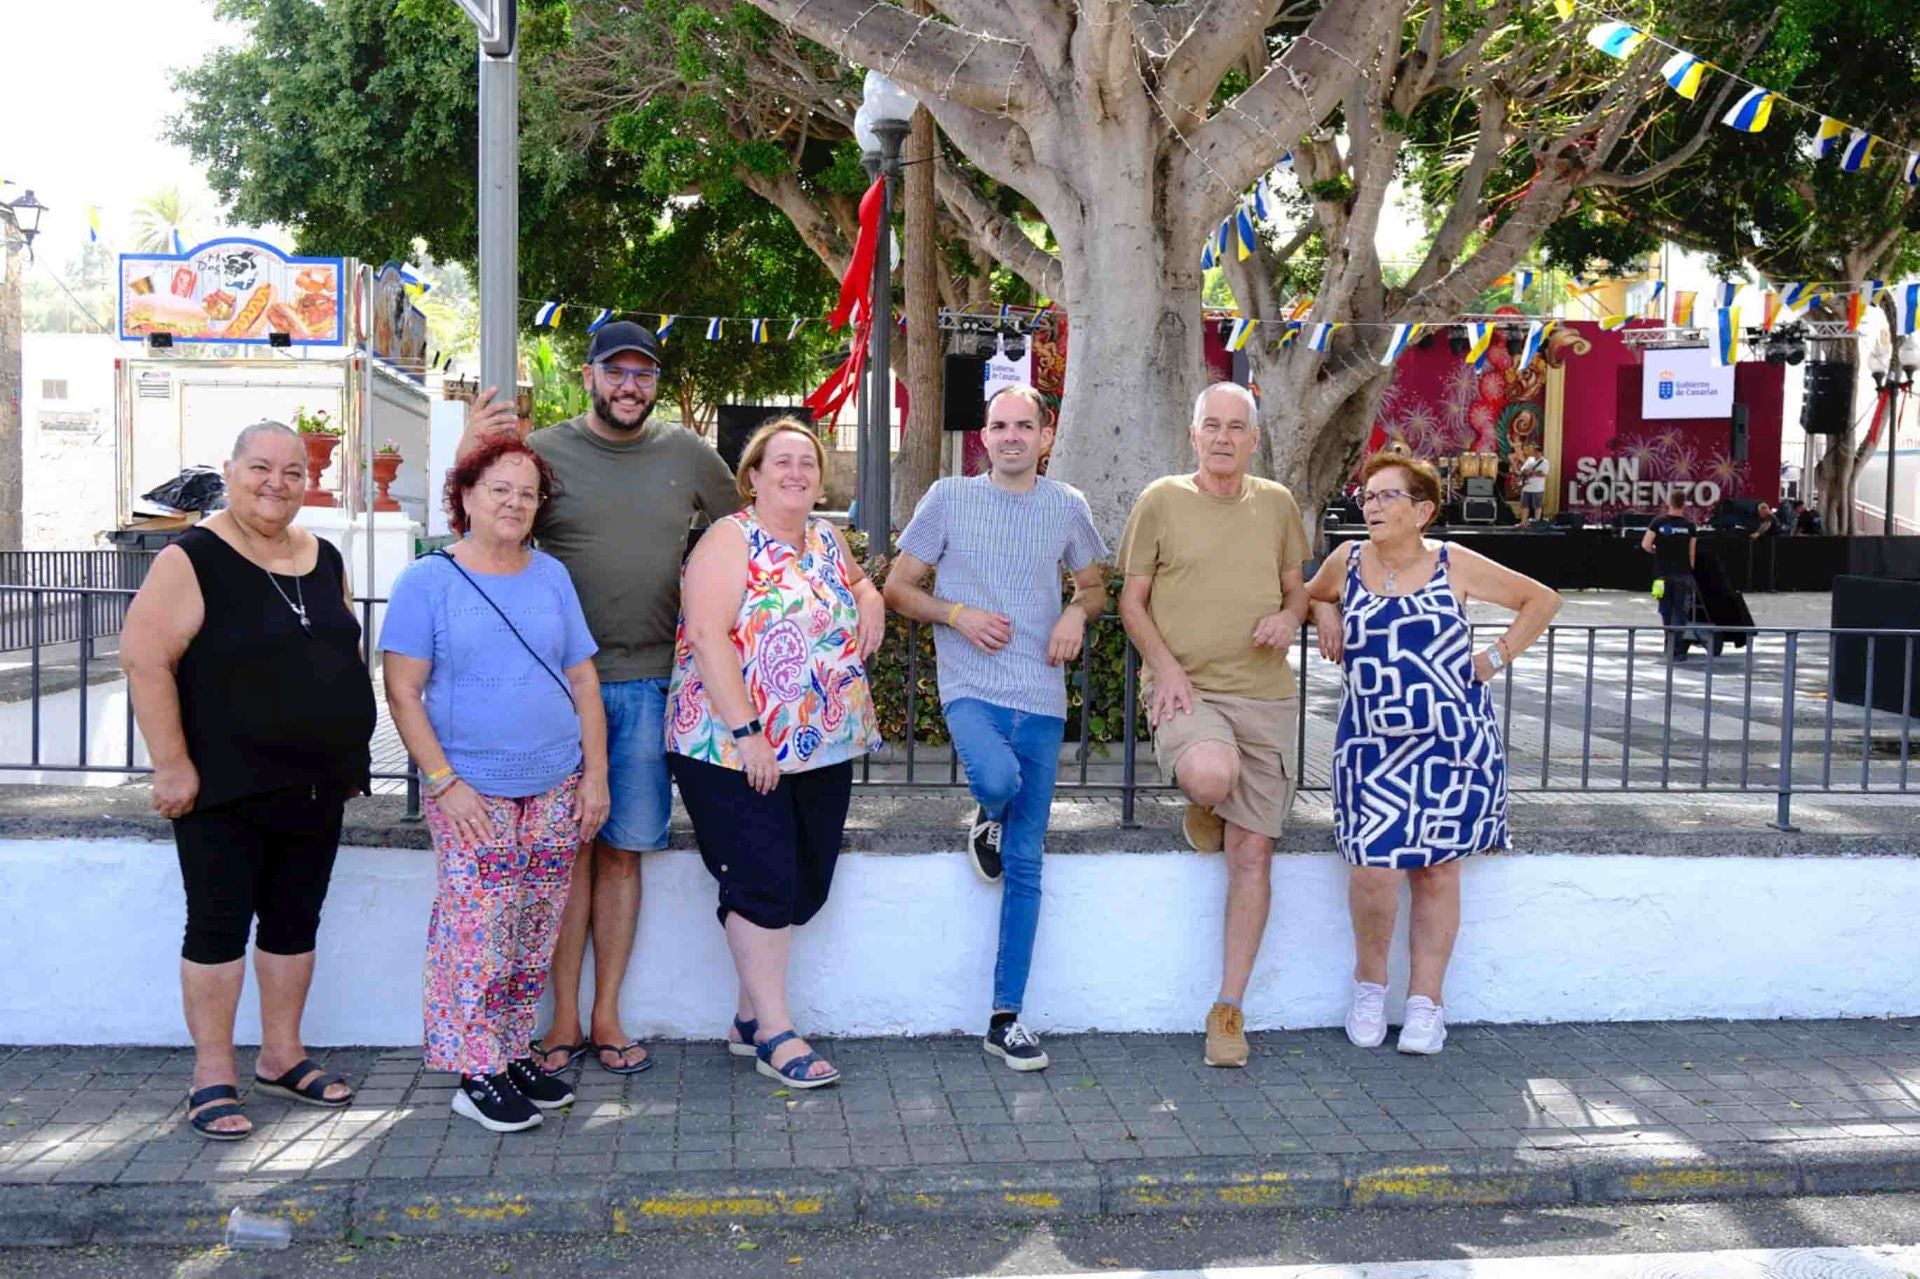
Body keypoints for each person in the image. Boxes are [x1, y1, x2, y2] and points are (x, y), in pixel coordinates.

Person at [463, 321, 738, 1077]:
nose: (629, 385)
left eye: (642, 373)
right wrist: (468, 448)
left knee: (621, 855)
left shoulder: (687, 454)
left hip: (651, 689)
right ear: (589, 376)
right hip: (555, 693)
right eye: (615, 371)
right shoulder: (545, 453)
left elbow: (751, 533)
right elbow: (478, 522)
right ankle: (564, 1020)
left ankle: (609, 1013)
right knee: (564, 856)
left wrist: (850, 581)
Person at [120, 421, 375, 1140]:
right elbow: (144, 661)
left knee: (296, 922)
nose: (277, 482)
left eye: (293, 471)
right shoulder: (191, 557)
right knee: (218, 926)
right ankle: (212, 1074)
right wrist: (172, 764)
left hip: (317, 782)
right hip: (221, 785)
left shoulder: (323, 556)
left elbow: (343, 648)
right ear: (230, 471)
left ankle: (281, 1055)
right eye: (260, 467)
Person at [380, 436, 611, 1133]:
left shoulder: (551, 577)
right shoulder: (427, 581)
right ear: (467, 494)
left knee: (533, 927)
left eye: (527, 492)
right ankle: (473, 1067)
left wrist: (594, 775)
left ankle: (510, 1051)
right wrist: (443, 782)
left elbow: (583, 679)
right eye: (499, 488)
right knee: (477, 928)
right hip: (471, 791)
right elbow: (402, 689)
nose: (513, 502)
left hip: (552, 786)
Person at [883, 385, 1109, 1071]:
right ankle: (989, 816)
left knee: (1028, 864)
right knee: (996, 778)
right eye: (998, 425)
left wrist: (1076, 613)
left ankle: (1005, 1016)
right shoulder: (948, 497)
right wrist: (956, 615)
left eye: (1023, 425)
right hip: (971, 689)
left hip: (1041, 694)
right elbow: (898, 587)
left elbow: (1096, 586)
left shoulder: (1068, 505)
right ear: (984, 434)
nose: (1010, 436)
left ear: (1046, 434)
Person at [1306, 454, 1559, 1055]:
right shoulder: (1348, 561)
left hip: (1452, 744)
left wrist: (1492, 659)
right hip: (1370, 746)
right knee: (1372, 870)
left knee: (1437, 869)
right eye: (1366, 496)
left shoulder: (1453, 562)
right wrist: (1326, 614)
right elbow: (1311, 592)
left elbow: (1541, 601)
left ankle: (1426, 1005)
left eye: (1387, 496)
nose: (1371, 506)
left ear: (1422, 511)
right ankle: (1369, 989)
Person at [666, 418, 883, 1089]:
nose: (795, 473)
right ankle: (776, 1033)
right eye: (780, 462)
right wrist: (748, 732)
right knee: (762, 875)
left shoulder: (824, 536)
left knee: (806, 881)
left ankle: (745, 1015)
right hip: (733, 746)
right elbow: (705, 635)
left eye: (807, 464)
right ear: (753, 476)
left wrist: (870, 595)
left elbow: (856, 581)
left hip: (820, 746)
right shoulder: (729, 541)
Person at [1117, 382, 1312, 1069]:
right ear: (1193, 434)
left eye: (1237, 427)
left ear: (1254, 439)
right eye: (1212, 426)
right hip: (1188, 688)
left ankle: (1227, 1005)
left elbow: (1298, 588)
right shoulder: (1161, 500)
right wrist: (1165, 668)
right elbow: (1131, 602)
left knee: (1253, 854)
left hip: (1264, 696)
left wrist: (1293, 616)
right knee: (1209, 770)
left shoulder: (1279, 505)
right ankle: (1209, 800)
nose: (1224, 437)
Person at [1642, 492, 1699, 659]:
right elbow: (1692, 553)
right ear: (1684, 505)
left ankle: (1668, 644)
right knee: (1680, 612)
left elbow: (1645, 544)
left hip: (1661, 575)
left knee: (1665, 611)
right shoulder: (1690, 526)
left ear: (1669, 503)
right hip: (1683, 574)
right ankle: (1678, 649)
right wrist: (1690, 570)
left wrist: (1657, 551)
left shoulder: (1658, 522)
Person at [1516, 444, 1550, 526]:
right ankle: (1523, 522)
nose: (1535, 453)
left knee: (1537, 506)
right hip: (1527, 487)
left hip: (1537, 488)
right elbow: (1523, 470)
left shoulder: (1544, 462)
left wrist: (1532, 472)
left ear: (1541, 453)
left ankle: (1536, 523)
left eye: (1537, 452)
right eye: (1534, 452)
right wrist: (1526, 471)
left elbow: (1544, 474)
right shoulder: (1530, 460)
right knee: (1525, 506)